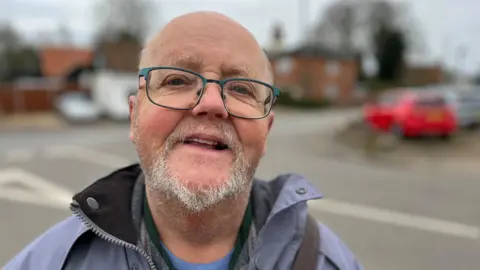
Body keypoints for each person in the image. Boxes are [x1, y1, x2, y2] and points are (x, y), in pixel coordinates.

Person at [4, 11, 363, 270]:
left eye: (240, 88)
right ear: (134, 116)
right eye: (176, 81)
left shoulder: (325, 261)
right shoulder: (53, 261)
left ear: (266, 131)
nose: (210, 103)